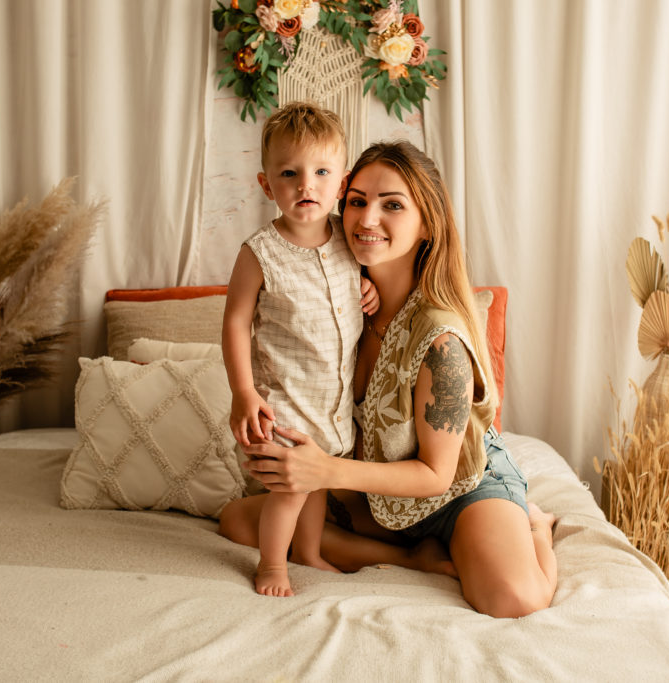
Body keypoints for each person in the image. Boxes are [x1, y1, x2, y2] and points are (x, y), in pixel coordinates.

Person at [219, 140, 558, 618]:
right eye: (356, 200)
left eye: (392, 205)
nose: (367, 219)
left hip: (459, 484)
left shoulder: (442, 339)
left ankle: (536, 527)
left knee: (514, 598)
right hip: (380, 487)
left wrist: (326, 471)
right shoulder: (340, 293)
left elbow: (438, 474)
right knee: (237, 520)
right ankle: (409, 559)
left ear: (427, 225)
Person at [222, 101, 379, 598]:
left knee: (316, 485)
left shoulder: (348, 242)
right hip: (285, 402)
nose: (305, 185)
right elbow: (235, 321)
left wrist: (369, 290)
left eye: (320, 172)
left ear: (342, 182)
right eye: (289, 173)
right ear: (268, 185)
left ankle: (308, 553)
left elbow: (356, 287)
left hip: (331, 406)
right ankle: (273, 565)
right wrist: (243, 392)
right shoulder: (260, 252)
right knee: (290, 491)